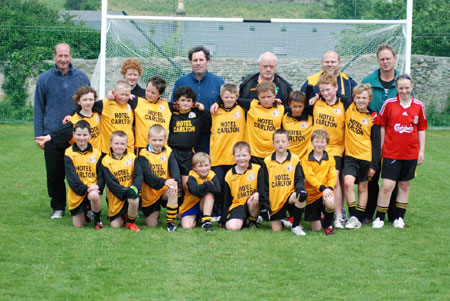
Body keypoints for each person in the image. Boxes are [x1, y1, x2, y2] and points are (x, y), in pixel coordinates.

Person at [34, 43, 90, 219]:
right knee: (54, 175)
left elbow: (90, 103)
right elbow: (39, 108)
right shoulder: (44, 79)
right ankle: (58, 207)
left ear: (71, 56)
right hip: (51, 134)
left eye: (66, 56)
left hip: (77, 136)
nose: (63, 59)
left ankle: (85, 207)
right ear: (54, 56)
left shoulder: (81, 77)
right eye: (60, 56)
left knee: (82, 174)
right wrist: (39, 134)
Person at [372, 74, 427, 229]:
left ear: (412, 87)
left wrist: (421, 151)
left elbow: (421, 128)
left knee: (404, 186)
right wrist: (382, 147)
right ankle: (380, 218)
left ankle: (399, 218)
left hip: (410, 153)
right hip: (391, 153)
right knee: (387, 186)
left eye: (407, 88)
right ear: (396, 88)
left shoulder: (419, 106)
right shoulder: (389, 104)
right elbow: (382, 125)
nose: (404, 91)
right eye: (401, 88)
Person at [308, 73, 352, 229]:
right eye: (322, 91)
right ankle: (316, 212)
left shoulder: (344, 105)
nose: (325, 93)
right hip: (314, 148)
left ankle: (338, 215)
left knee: (334, 182)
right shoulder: (316, 103)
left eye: (328, 90)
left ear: (336, 87)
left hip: (335, 149)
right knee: (313, 180)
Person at [362, 44, 400, 222]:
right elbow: (361, 105)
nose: (385, 62)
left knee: (392, 178)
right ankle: (368, 213)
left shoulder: (402, 82)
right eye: (382, 59)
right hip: (372, 135)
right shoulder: (368, 81)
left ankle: (392, 214)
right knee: (372, 176)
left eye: (388, 58)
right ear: (378, 61)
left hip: (396, 136)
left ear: (395, 59)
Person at [171, 46, 224, 153]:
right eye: (195, 60)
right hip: (186, 137)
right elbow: (173, 106)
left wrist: (218, 103)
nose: (198, 63)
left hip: (210, 136)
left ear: (207, 62)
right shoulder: (181, 82)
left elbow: (226, 103)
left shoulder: (218, 82)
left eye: (201, 60)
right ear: (190, 63)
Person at [343, 84, 381, 229]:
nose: (360, 100)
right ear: (354, 98)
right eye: (358, 97)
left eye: (364, 98)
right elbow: (336, 95)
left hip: (366, 158)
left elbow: (376, 144)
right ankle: (353, 215)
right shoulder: (349, 108)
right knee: (348, 183)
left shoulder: (373, 117)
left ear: (369, 99)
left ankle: (358, 217)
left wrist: (374, 165)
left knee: (363, 189)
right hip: (350, 157)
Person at [258, 129, 307, 236]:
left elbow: (299, 178)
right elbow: (263, 185)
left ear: (289, 142)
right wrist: (265, 203)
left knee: (300, 196)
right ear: (273, 143)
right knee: (276, 229)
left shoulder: (294, 159)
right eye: (277, 141)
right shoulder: (267, 161)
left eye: (283, 141)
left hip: (289, 196)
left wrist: (300, 190)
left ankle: (296, 226)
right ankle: (284, 222)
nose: (280, 144)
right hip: (275, 200)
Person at [209, 83, 246, 220]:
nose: (229, 99)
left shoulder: (242, 110)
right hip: (217, 156)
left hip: (235, 157)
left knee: (232, 187)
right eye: (226, 97)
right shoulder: (214, 111)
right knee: (217, 185)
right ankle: (215, 212)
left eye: (232, 97)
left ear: (237, 97)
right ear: (221, 97)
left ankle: (229, 212)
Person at [138, 125, 180, 232]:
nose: (157, 143)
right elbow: (147, 175)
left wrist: (174, 181)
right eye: (154, 140)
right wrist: (165, 181)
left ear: (165, 139)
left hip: (163, 190)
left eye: (160, 140)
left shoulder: (168, 151)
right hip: (150, 193)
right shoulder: (143, 153)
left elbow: (175, 169)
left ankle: (170, 221)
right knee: (152, 224)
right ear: (148, 139)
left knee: (173, 188)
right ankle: (156, 211)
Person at [168, 86, 210, 191]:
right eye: (182, 100)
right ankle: (174, 206)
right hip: (173, 152)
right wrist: (173, 105)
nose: (185, 103)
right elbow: (164, 105)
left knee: (186, 184)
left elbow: (208, 118)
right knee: (175, 182)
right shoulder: (172, 113)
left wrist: (201, 107)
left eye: (188, 101)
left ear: (193, 102)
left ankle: (184, 205)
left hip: (188, 153)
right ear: (177, 101)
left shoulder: (197, 113)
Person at [64, 121, 103, 229]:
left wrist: (98, 186)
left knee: (94, 195)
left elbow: (101, 176)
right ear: (74, 135)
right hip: (78, 191)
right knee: (78, 225)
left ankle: (97, 220)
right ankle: (86, 210)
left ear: (90, 135)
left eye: (85, 135)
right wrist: (86, 189)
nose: (82, 138)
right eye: (79, 134)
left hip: (92, 190)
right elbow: (72, 179)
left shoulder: (96, 153)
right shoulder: (68, 153)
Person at [35, 86, 101, 151]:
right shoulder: (74, 120)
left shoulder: (98, 113)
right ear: (78, 101)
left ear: (94, 100)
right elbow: (60, 133)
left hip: (97, 156)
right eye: (85, 100)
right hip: (80, 157)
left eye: (91, 99)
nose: (88, 102)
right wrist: (47, 137)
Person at [101, 131, 143, 232]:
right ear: (110, 144)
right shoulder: (106, 160)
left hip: (130, 192)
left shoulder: (132, 157)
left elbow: (139, 175)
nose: (119, 146)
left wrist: (134, 188)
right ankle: (124, 215)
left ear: (126, 144)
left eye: (122, 144)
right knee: (115, 225)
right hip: (117, 196)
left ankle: (130, 222)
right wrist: (125, 191)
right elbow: (111, 183)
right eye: (116, 143)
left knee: (134, 197)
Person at [301, 129, 337, 235]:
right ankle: (322, 216)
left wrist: (329, 188)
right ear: (312, 142)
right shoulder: (305, 159)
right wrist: (322, 188)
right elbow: (309, 177)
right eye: (316, 141)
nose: (319, 144)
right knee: (315, 229)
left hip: (326, 192)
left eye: (322, 142)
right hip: (312, 195)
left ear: (326, 144)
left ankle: (328, 225)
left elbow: (332, 175)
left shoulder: (330, 158)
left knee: (330, 201)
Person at [222, 142, 261, 231]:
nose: (241, 158)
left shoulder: (257, 169)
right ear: (234, 157)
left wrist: (258, 193)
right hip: (238, 204)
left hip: (252, 203)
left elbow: (263, 187)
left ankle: (253, 221)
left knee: (255, 198)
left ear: (250, 156)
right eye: (238, 156)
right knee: (232, 227)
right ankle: (242, 220)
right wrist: (223, 219)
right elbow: (226, 199)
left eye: (244, 155)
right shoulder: (229, 175)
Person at [179, 152, 221, 231]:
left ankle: (206, 222)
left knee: (209, 195)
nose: (204, 169)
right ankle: (197, 219)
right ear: (194, 167)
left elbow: (218, 189)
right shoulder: (192, 175)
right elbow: (194, 190)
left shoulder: (211, 174)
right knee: (187, 226)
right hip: (190, 204)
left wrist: (202, 188)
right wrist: (208, 184)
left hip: (203, 204)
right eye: (200, 166)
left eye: (206, 165)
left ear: (210, 165)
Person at [132, 76, 172, 151]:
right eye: (147, 91)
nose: (149, 94)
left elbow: (185, 104)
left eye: (153, 93)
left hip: (161, 148)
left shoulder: (167, 106)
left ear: (160, 94)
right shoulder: (137, 102)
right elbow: (120, 97)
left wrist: (197, 105)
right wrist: (111, 94)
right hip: (142, 147)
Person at [96, 81, 135, 154]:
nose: (124, 97)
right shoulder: (105, 104)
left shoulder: (132, 103)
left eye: (127, 95)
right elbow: (86, 105)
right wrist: (71, 114)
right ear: (114, 93)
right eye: (121, 94)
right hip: (108, 150)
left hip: (128, 149)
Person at [282, 90, 313, 159]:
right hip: (288, 159)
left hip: (304, 160)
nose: (297, 109)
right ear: (289, 104)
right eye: (294, 106)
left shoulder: (311, 120)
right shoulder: (284, 118)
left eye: (300, 106)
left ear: (304, 105)